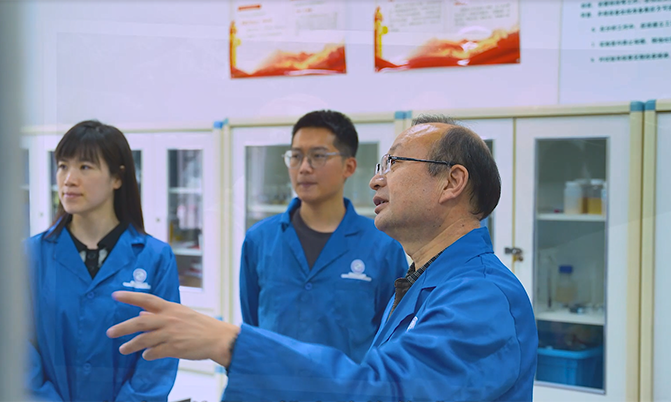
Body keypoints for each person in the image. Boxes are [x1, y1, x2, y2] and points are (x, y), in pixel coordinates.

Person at [107, 115, 538, 402]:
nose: (376, 180)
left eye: (393, 162)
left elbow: (387, 391)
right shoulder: (424, 280)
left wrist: (231, 343)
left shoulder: (481, 297)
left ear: (452, 182)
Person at [26, 120, 180, 402]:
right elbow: (16, 349)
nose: (69, 179)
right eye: (62, 166)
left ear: (117, 178)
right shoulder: (31, 255)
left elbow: (160, 353)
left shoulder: (155, 258)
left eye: (85, 167)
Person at [240, 110, 408, 363]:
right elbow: (252, 325)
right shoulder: (259, 240)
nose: (304, 168)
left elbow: (391, 336)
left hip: (350, 385)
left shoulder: (383, 246)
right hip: (274, 383)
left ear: (348, 166)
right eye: (296, 156)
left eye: (318, 156)